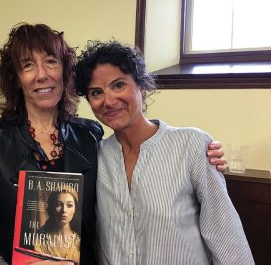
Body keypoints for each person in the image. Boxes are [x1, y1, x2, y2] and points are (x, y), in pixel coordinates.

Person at [0, 23, 226, 265]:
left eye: (50, 62)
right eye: (27, 65)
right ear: (15, 77)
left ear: (65, 71)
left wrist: (202, 153)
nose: (41, 75)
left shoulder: (90, 135)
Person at [74, 40, 254, 264]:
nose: (109, 101)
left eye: (119, 85)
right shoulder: (96, 157)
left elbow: (226, 239)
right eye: (96, 92)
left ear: (140, 85)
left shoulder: (192, 146)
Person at [34, 189, 81, 262]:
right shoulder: (39, 237)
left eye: (69, 205)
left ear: (75, 209)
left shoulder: (79, 240)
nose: (64, 210)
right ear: (52, 208)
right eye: (58, 205)